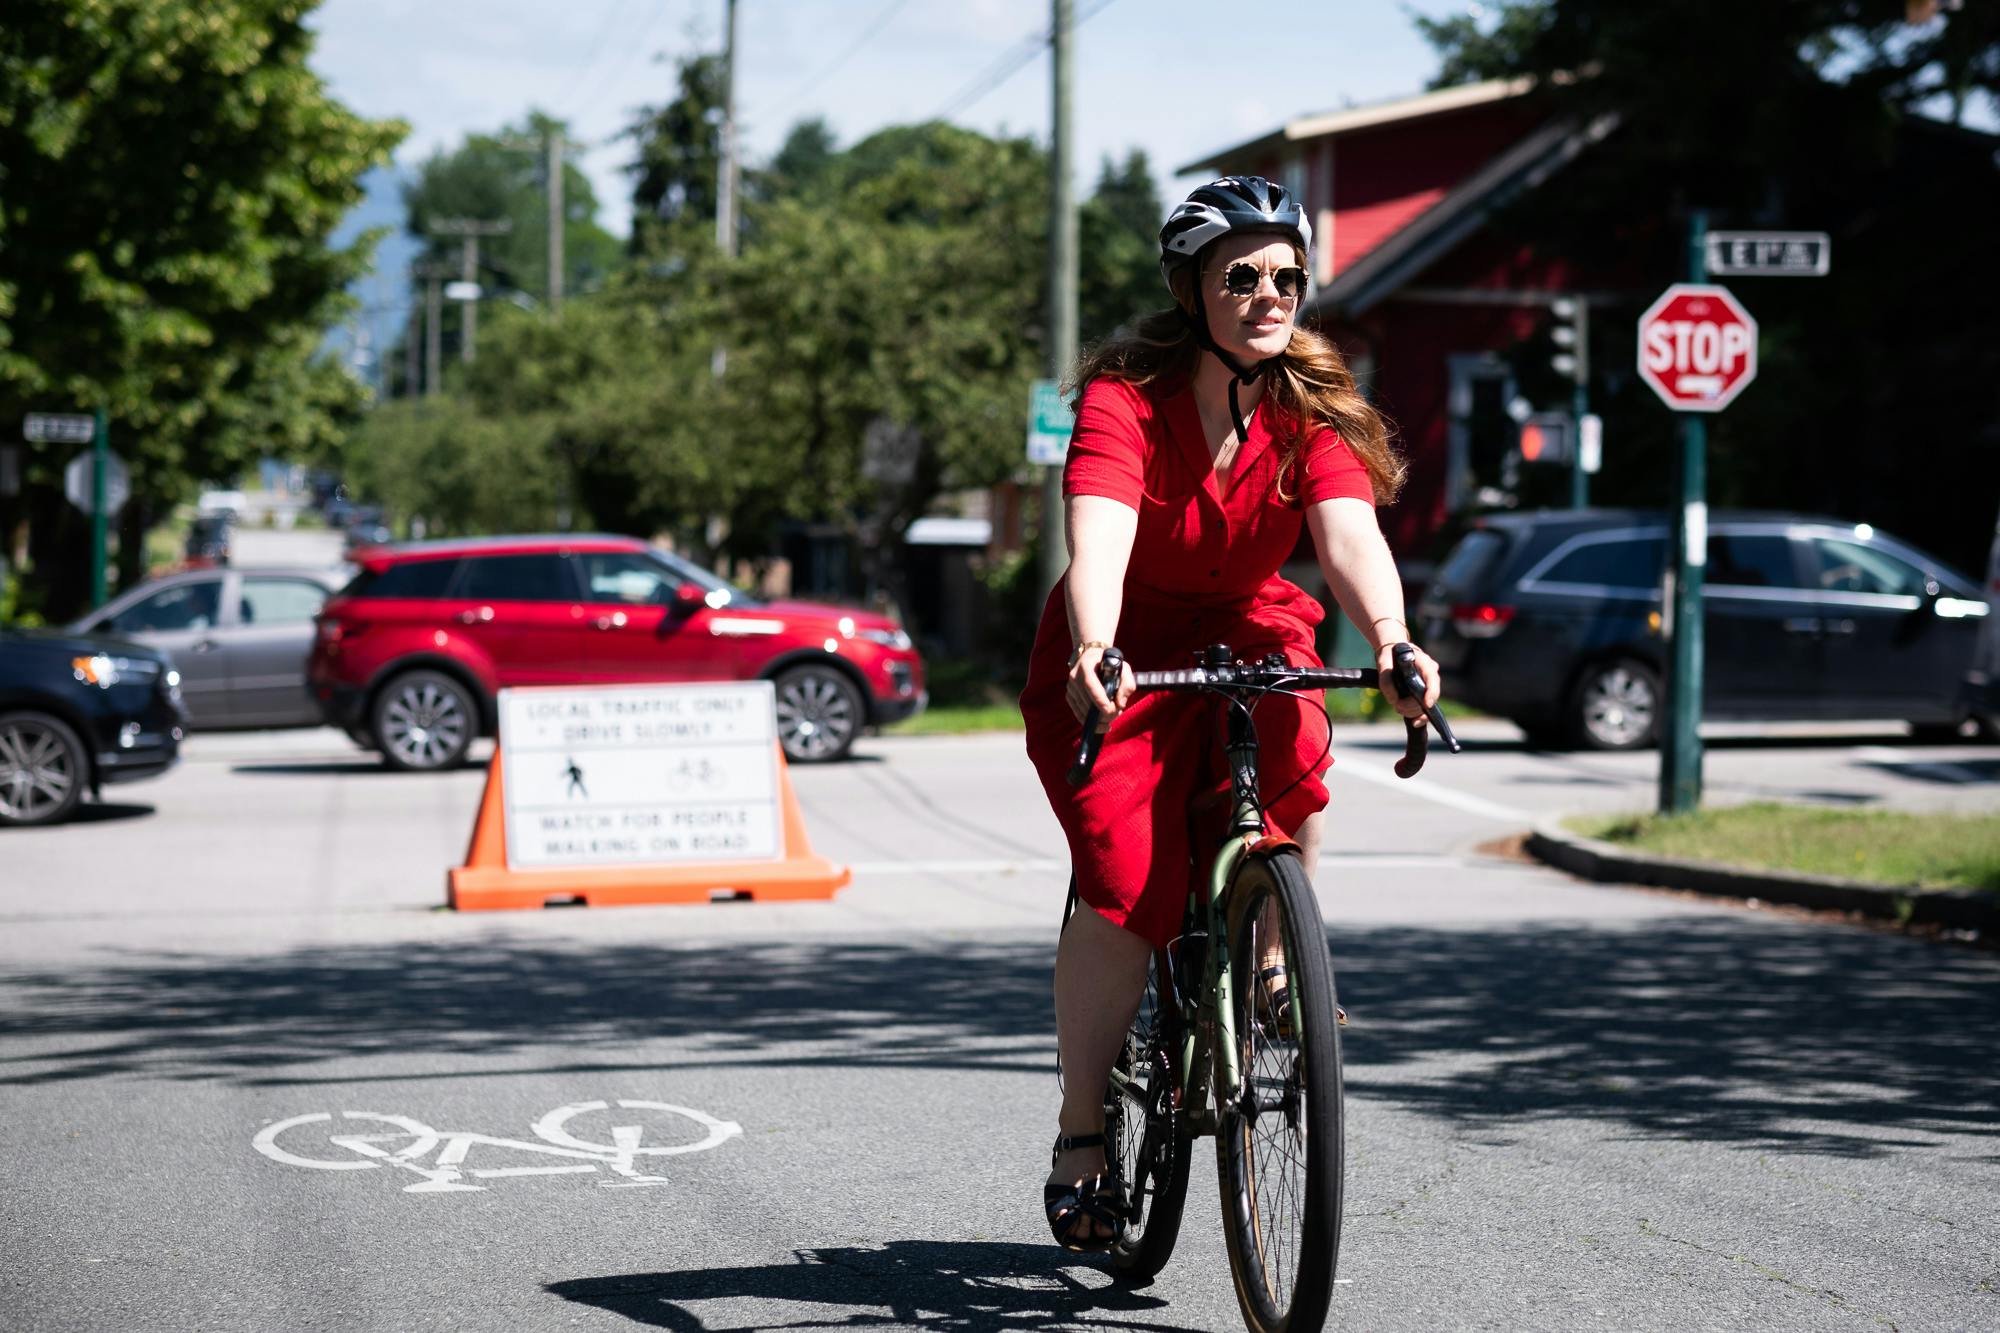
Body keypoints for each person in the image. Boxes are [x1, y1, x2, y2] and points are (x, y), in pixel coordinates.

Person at [1020, 175, 1443, 1251]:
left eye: (1286, 277)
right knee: (1122, 874)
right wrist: (1091, 647)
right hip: (1125, 642)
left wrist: (1392, 642)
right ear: (1190, 289)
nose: (1268, 293)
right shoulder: (1125, 395)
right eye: (1241, 276)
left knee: (1297, 733)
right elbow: (1099, 534)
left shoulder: (1310, 403)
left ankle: (1269, 954)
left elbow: (1348, 540)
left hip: (1248, 625)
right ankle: (1081, 1135)